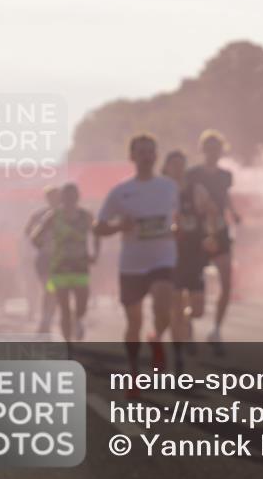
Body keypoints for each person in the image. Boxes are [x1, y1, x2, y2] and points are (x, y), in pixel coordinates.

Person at [94, 134, 179, 386]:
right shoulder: (121, 191)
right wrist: (119, 226)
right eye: (141, 152)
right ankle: (133, 371)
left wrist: (180, 228)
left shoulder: (169, 186)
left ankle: (156, 337)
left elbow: (181, 216)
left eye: (150, 151)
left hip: (163, 258)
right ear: (131, 157)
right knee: (134, 321)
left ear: (156, 155)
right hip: (131, 264)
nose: (146, 156)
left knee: (163, 307)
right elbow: (98, 226)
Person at [162, 150, 220, 368]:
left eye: (181, 164)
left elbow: (213, 211)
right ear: (166, 167)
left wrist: (211, 235)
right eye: (173, 164)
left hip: (194, 254)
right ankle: (177, 357)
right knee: (175, 306)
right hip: (170, 255)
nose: (177, 168)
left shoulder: (195, 190)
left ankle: (187, 322)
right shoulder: (160, 191)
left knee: (198, 309)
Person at [186, 130, 240, 353]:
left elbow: (224, 197)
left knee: (226, 280)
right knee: (194, 289)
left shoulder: (225, 175)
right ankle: (187, 320)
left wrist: (233, 213)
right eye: (208, 148)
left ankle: (216, 329)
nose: (212, 153)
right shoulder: (193, 174)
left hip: (220, 230)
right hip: (197, 234)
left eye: (216, 148)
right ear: (202, 150)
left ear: (221, 151)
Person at [31, 183, 99, 344]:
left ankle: (79, 319)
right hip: (59, 267)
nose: (69, 199)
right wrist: (46, 248)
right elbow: (35, 236)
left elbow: (97, 234)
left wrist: (94, 253)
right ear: (62, 198)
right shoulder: (53, 216)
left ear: (78, 196)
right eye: (66, 196)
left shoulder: (85, 215)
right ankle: (68, 344)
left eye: (72, 195)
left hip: (80, 265)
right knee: (64, 308)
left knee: (82, 303)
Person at [24, 185, 60, 333]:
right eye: (51, 196)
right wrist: (40, 243)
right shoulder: (39, 214)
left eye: (57, 196)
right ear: (47, 198)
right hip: (45, 259)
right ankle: (46, 321)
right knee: (50, 289)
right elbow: (27, 232)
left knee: (55, 291)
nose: (54, 199)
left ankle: (48, 319)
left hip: (62, 260)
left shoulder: (66, 213)